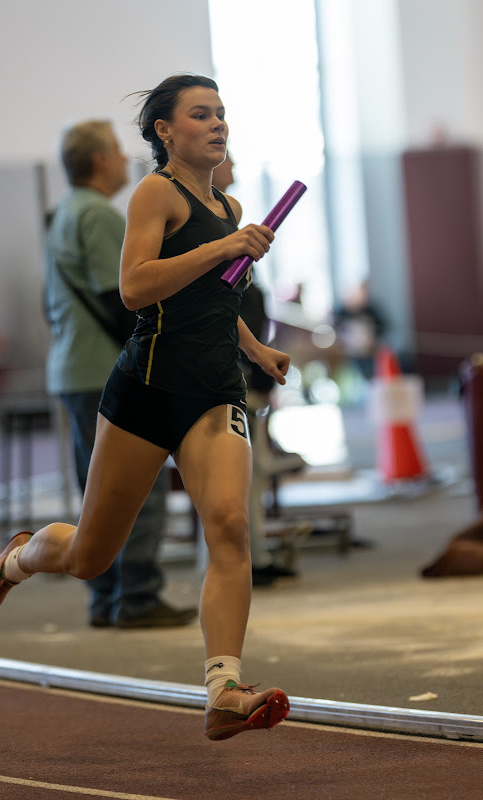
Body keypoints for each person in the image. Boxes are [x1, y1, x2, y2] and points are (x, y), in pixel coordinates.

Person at [0, 73, 291, 741]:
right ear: (165, 131)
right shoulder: (155, 194)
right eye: (201, 114)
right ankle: (15, 560)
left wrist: (256, 349)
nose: (218, 123)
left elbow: (212, 299)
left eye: (221, 113)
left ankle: (223, 690)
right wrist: (225, 246)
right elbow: (135, 288)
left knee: (230, 524)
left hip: (214, 391)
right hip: (146, 390)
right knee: (90, 556)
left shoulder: (229, 206)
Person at [45, 119, 197, 629]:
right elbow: (127, 298)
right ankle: (137, 595)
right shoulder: (99, 216)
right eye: (115, 148)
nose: (124, 157)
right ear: (99, 161)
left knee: (96, 494)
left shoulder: (63, 213)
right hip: (107, 369)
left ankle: (104, 596)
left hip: (72, 366)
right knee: (137, 489)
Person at [212, 155, 301, 587]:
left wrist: (258, 355)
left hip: (242, 368)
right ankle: (238, 562)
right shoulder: (193, 215)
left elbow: (231, 304)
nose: (230, 162)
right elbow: (211, 302)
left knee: (252, 472)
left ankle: (254, 557)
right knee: (231, 483)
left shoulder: (228, 215)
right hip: (220, 373)